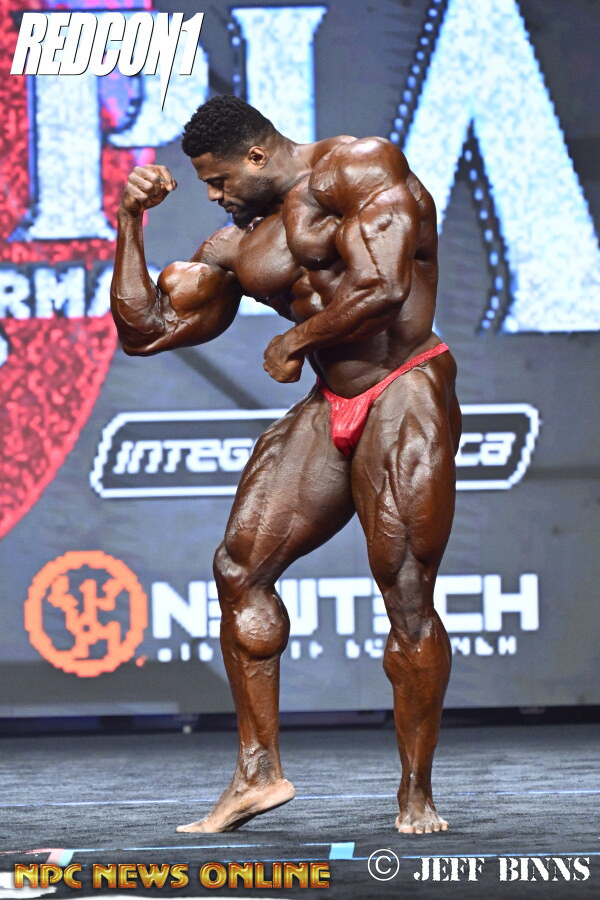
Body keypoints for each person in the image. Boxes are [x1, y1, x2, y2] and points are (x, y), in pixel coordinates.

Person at [111, 95, 461, 836]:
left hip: (404, 384)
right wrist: (129, 223)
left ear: (258, 155)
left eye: (219, 180)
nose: (214, 196)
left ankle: (416, 792)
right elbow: (146, 331)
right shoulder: (241, 243)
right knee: (240, 567)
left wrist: (295, 339)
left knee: (405, 590)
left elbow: (385, 287)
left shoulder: (360, 166)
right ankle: (257, 773)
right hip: (332, 397)